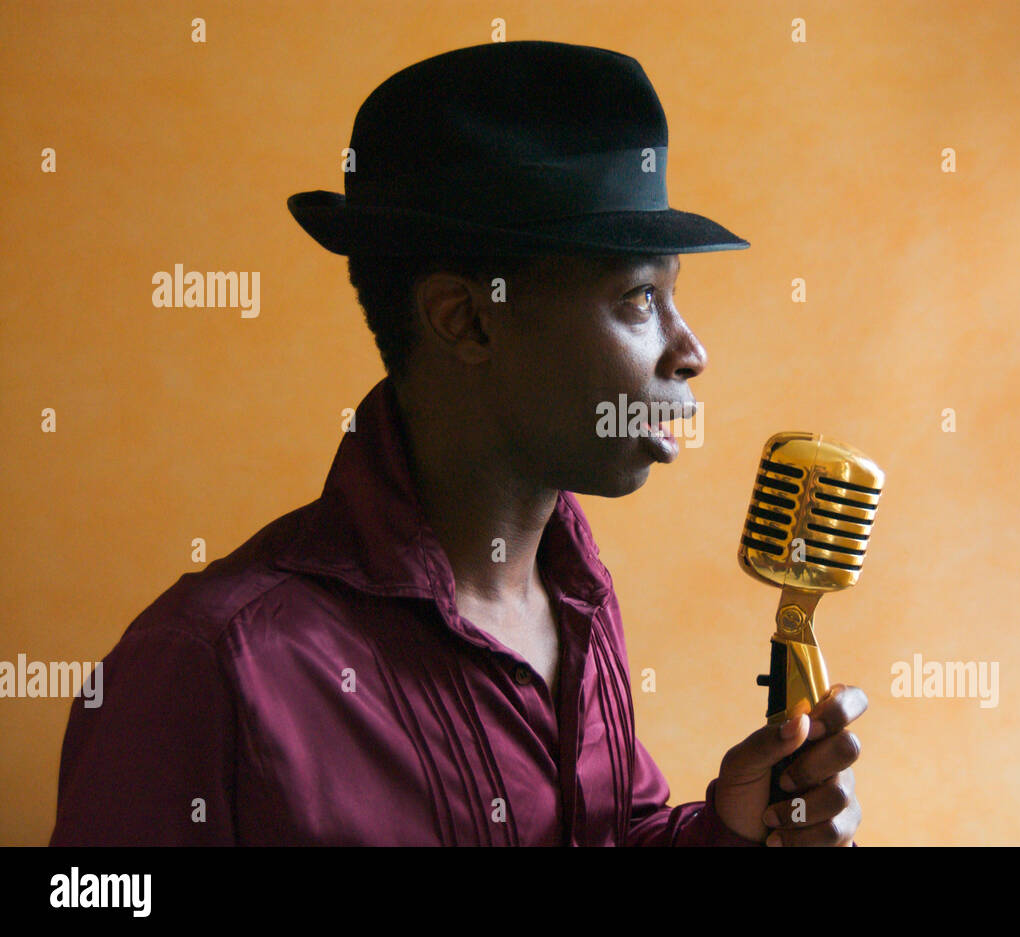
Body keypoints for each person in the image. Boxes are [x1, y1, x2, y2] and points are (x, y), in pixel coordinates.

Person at [50, 40, 867, 846]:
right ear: (466, 317)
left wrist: (727, 828)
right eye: (640, 296)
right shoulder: (208, 666)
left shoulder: (577, 596)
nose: (691, 350)